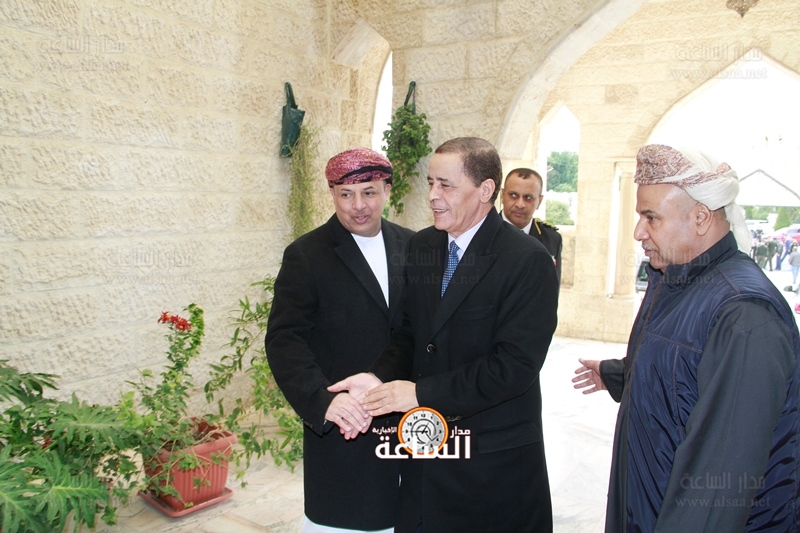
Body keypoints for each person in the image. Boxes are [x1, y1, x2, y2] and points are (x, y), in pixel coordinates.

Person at [330, 137, 559, 532]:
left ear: (485, 190)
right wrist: (378, 377)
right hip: (425, 460)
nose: (433, 195)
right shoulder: (422, 245)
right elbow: (409, 333)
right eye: (431, 183)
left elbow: (514, 367)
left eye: (446, 185)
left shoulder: (527, 260)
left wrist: (420, 394)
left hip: (491, 465)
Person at [572, 144, 800, 532]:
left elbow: (716, 488)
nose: (638, 232)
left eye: (651, 218)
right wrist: (620, 374)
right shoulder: (676, 277)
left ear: (700, 217)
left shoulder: (744, 314)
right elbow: (686, 369)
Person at [265, 148, 414, 532]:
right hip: (346, 424)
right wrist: (322, 401)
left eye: (369, 192)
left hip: (408, 418)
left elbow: (415, 329)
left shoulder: (415, 246)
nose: (358, 205)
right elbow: (285, 339)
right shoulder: (306, 255)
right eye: (346, 194)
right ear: (331, 193)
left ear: (387, 189)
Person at [501, 168, 563, 281]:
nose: (520, 204)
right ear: (502, 195)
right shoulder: (483, 232)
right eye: (513, 195)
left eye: (528, 198)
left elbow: (553, 286)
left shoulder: (552, 239)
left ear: (539, 201)